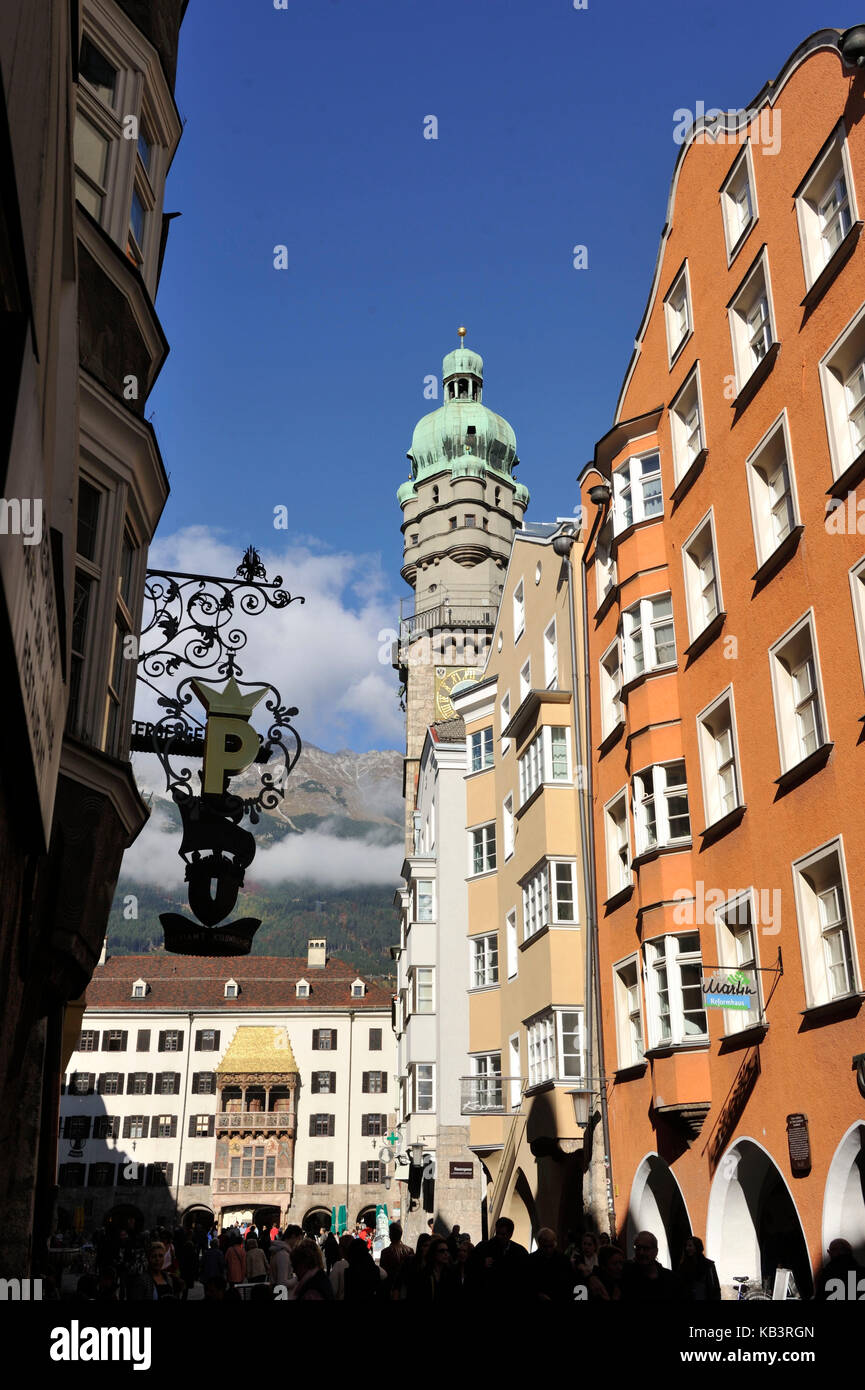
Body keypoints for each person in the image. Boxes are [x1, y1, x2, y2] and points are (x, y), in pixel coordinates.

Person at [472, 1217, 530, 1299]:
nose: (499, 1237)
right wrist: (481, 1263)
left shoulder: (520, 1252)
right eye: (497, 1233)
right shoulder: (483, 1247)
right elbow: (470, 1266)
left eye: (503, 1234)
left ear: (510, 1234)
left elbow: (525, 1277)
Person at [621, 1231, 675, 1301]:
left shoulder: (671, 1279)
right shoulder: (626, 1274)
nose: (641, 1252)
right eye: (638, 1248)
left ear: (656, 1251)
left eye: (646, 1248)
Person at [528, 1228, 574, 1303]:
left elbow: (569, 1282)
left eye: (551, 1246)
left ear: (555, 1243)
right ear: (539, 1244)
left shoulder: (564, 1260)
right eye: (545, 1246)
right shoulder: (531, 1260)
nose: (548, 1250)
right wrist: (537, 1294)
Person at [408, 1235, 453, 1302]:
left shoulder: (450, 1274)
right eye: (442, 1251)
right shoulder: (424, 1274)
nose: (446, 1253)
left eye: (447, 1250)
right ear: (434, 1253)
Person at [675, 1236, 721, 1301]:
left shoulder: (709, 1265)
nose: (687, 1248)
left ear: (697, 1247)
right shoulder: (683, 1266)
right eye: (686, 1246)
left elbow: (715, 1287)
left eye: (690, 1245)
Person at [379, 1222, 414, 1299]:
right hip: (405, 1287)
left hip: (390, 1288)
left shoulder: (385, 1252)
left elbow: (383, 1273)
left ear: (390, 1235)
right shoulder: (409, 1250)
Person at [329, 1234, 355, 1300]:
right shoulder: (362, 1263)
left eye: (339, 1246)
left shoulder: (339, 1265)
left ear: (342, 1248)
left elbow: (331, 1291)